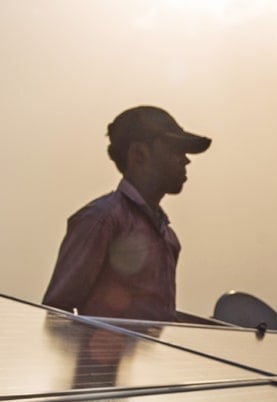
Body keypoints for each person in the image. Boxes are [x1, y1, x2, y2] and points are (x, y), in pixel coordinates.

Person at [42, 105, 211, 321]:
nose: (186, 160)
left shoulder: (168, 238)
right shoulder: (102, 220)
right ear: (139, 154)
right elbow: (55, 313)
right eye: (174, 149)